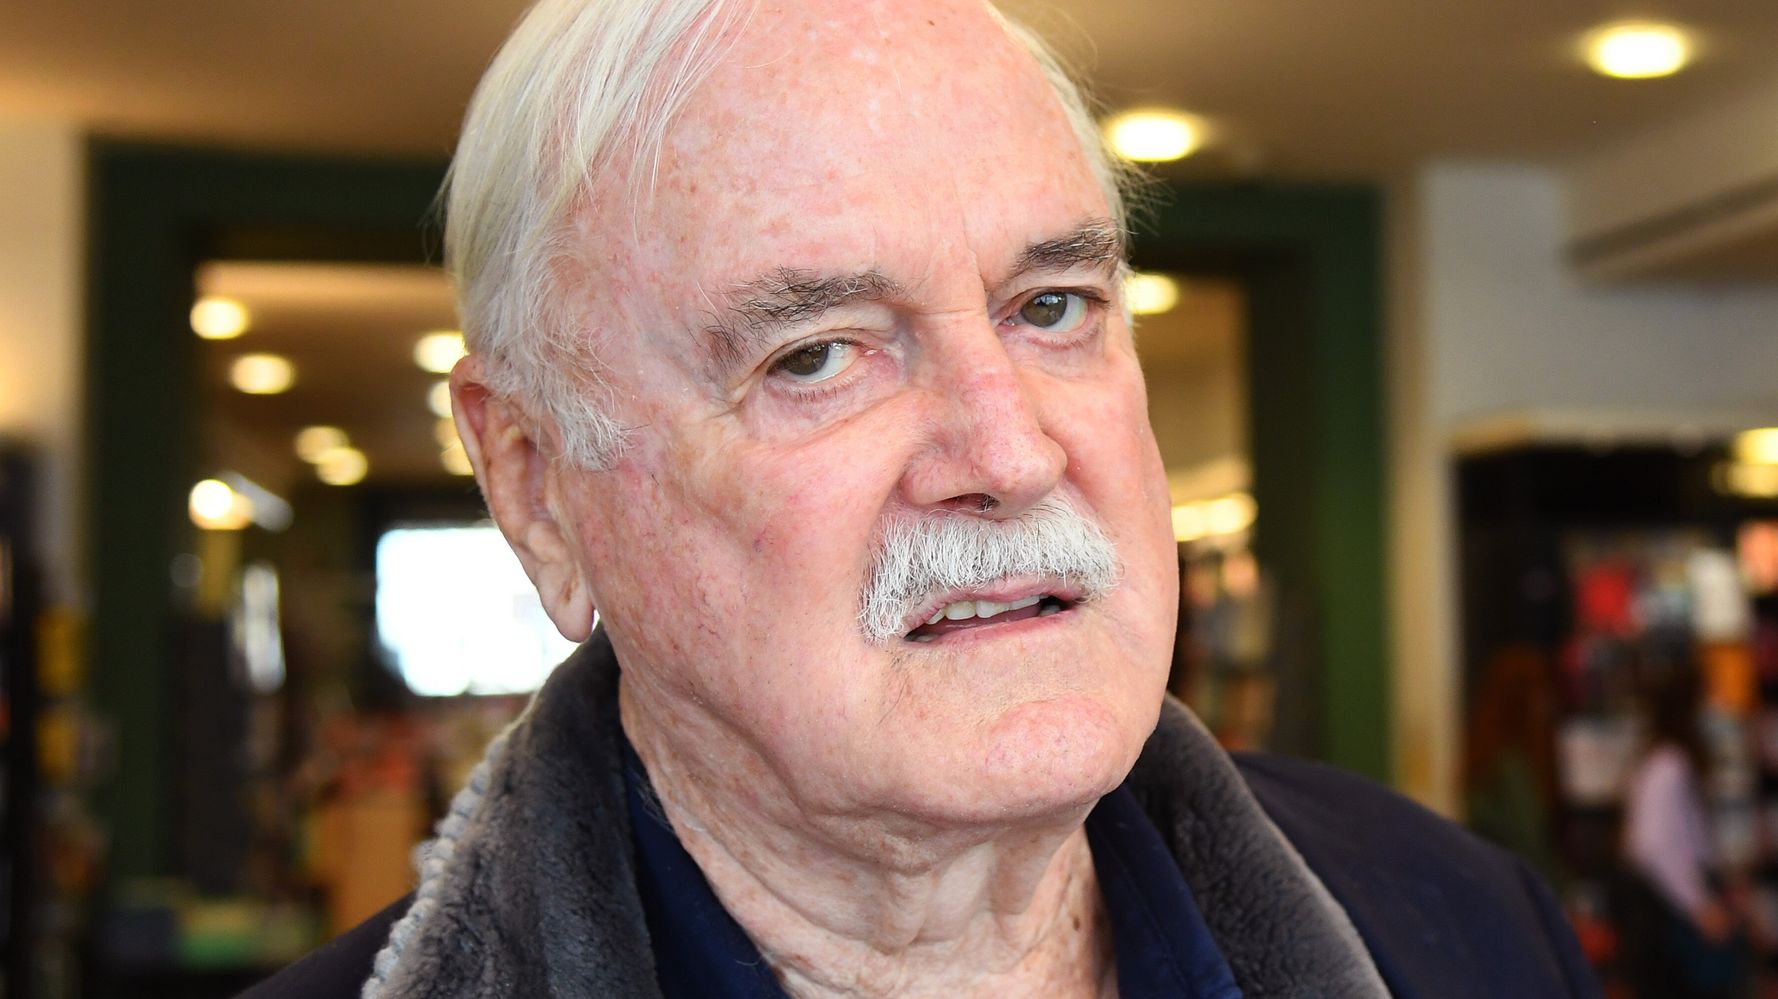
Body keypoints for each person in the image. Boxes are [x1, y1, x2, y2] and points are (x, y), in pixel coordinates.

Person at [246, 0, 1600, 995]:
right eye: (816, 355)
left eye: (1052, 306)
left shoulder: (1464, 928)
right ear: (536, 486)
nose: (1010, 455)